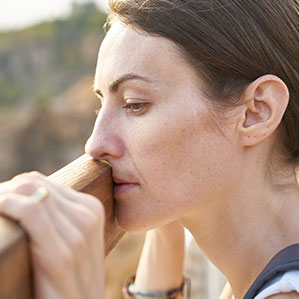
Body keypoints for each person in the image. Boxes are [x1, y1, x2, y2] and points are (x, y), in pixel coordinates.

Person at [0, 0, 298, 298]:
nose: (94, 144)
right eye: (100, 105)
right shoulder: (262, 267)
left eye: (134, 104)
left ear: (257, 111)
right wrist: (164, 221)